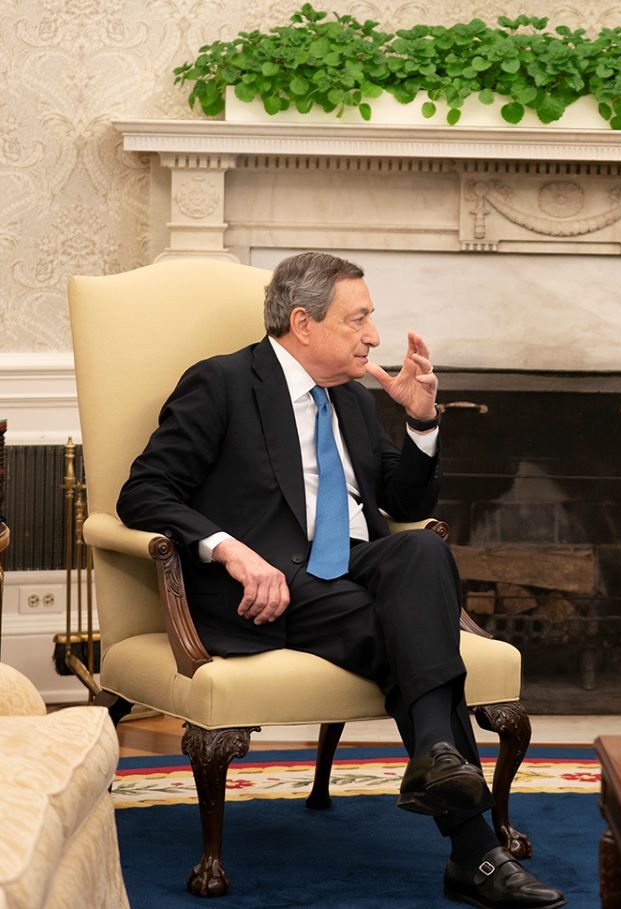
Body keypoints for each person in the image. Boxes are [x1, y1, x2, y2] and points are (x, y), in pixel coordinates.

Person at [117, 251, 564, 909]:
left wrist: (421, 421)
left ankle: (438, 760)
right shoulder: (222, 383)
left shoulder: (351, 399)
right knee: (407, 633)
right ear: (303, 322)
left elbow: (405, 503)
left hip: (353, 564)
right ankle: (476, 852)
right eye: (358, 319)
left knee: (423, 551)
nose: (374, 336)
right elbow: (144, 492)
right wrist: (231, 550)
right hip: (268, 582)